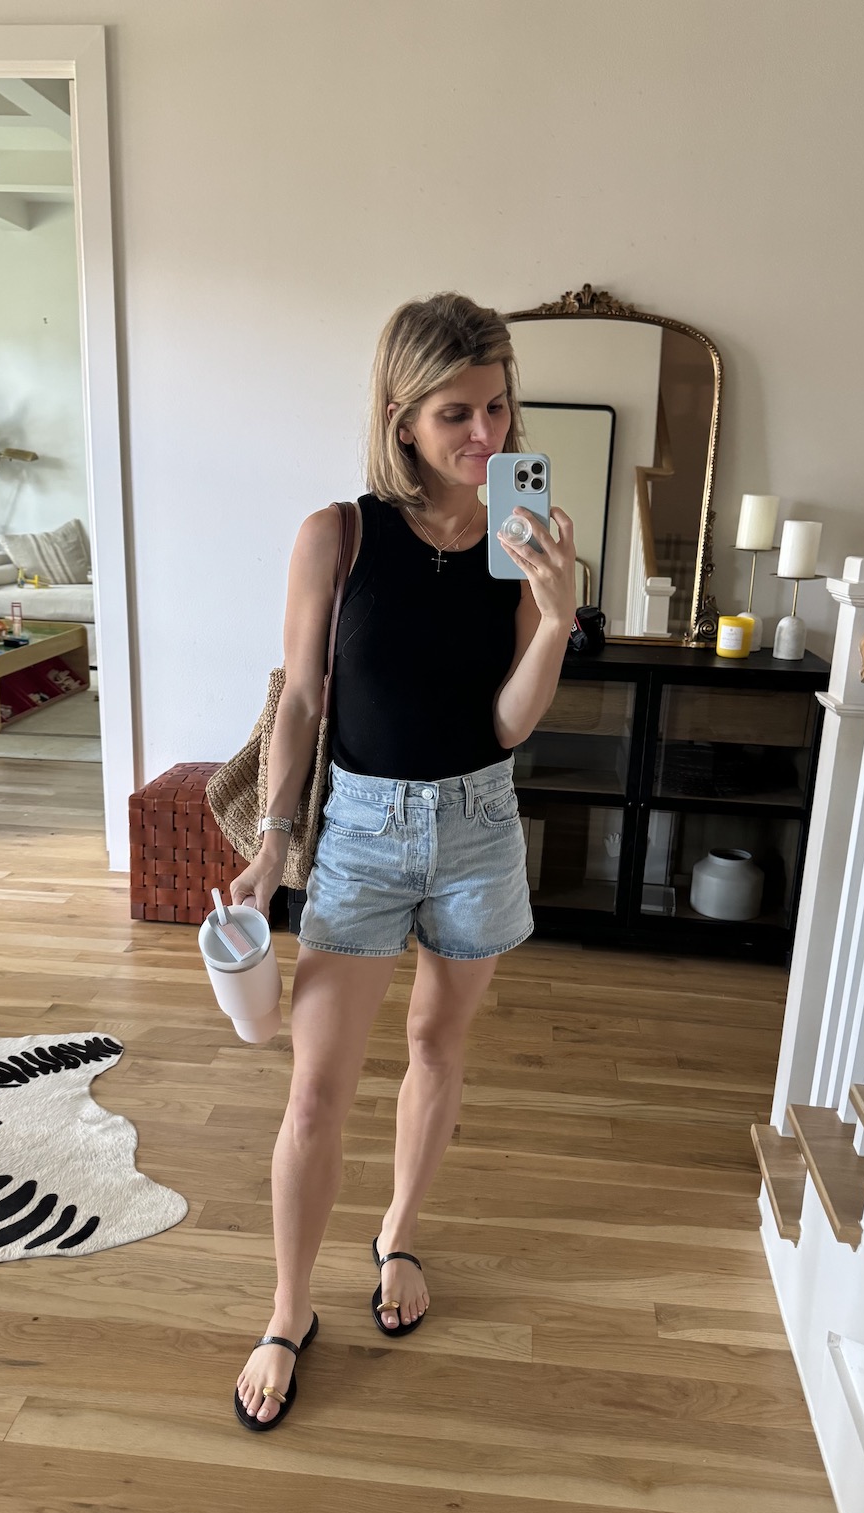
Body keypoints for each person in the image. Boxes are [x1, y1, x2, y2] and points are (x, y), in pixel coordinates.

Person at [231, 292, 576, 1430]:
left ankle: (397, 1235)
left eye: (498, 407)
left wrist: (554, 617)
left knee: (437, 1043)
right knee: (315, 1089)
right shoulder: (338, 535)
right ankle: (288, 1310)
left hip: (479, 823)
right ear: (400, 416)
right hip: (362, 834)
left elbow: (510, 724)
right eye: (456, 414)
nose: (487, 434)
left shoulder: (525, 536)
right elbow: (300, 701)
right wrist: (274, 842)